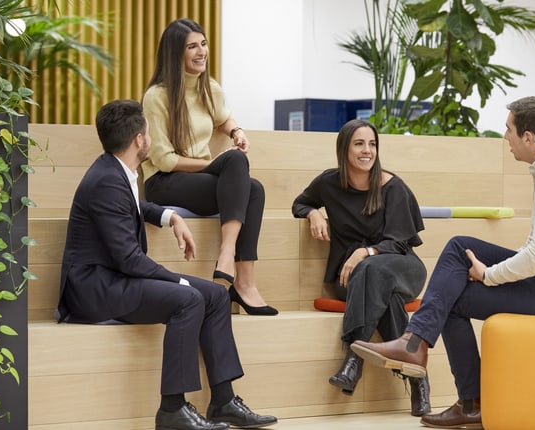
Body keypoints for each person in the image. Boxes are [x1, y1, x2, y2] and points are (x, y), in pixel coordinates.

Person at [351, 96, 535, 428]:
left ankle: (447, 378)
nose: (506, 137)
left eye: (509, 129)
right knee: (459, 250)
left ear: (528, 137)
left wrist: (489, 275)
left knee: (452, 298)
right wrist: (494, 272)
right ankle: (422, 352)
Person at [55, 100, 278, 430]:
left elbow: (131, 205)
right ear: (139, 140)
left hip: (113, 277)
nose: (149, 137)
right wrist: (179, 282)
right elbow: (129, 259)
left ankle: (223, 401)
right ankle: (172, 409)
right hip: (93, 288)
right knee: (187, 298)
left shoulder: (115, 169)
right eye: (147, 131)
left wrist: (168, 215)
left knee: (217, 296)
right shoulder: (105, 179)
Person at [292, 119, 431, 416]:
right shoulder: (328, 183)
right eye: (359, 144)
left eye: (372, 144)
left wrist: (365, 252)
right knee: (383, 293)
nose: (367, 151)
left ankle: (352, 358)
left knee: (373, 269)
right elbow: (299, 203)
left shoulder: (393, 187)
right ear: (344, 149)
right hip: (351, 277)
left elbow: (399, 241)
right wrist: (314, 212)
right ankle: (419, 381)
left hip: (403, 269)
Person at [141, 18, 276, 316]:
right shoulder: (157, 96)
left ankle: (245, 282)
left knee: (254, 189)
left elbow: (223, 116)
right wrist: (210, 164)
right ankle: (228, 259)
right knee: (237, 167)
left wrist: (236, 131)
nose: (201, 51)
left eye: (203, 44)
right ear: (175, 53)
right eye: (192, 46)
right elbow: (164, 159)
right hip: (165, 181)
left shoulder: (208, 87)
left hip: (199, 179)